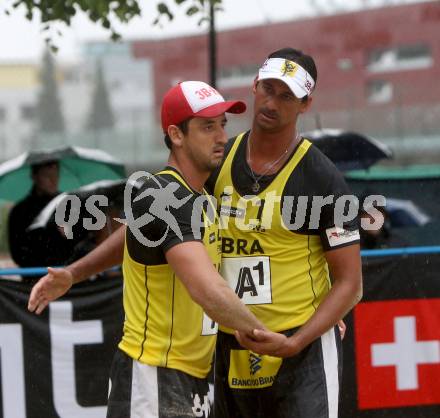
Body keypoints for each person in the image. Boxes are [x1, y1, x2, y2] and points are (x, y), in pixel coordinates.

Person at [28, 80, 270, 418]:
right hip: (154, 375)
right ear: (176, 134)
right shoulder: (162, 196)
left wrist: (73, 273)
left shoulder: (200, 197)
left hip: (193, 377)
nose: (221, 137)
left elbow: (132, 235)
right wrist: (269, 336)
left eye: (222, 125)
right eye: (207, 126)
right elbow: (207, 289)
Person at [205, 48, 362, 418]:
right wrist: (76, 271)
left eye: (287, 95)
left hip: (301, 351)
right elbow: (159, 220)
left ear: (306, 104)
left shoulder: (321, 178)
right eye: (269, 89)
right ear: (254, 86)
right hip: (230, 345)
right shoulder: (217, 161)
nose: (272, 103)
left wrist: (296, 341)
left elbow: (350, 284)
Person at [7, 160, 75, 280]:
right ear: (34, 176)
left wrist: (70, 235)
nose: (53, 180)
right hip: (33, 280)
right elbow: (17, 254)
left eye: (56, 175)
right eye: (47, 176)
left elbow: (83, 243)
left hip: (68, 278)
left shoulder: (69, 204)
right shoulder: (19, 211)